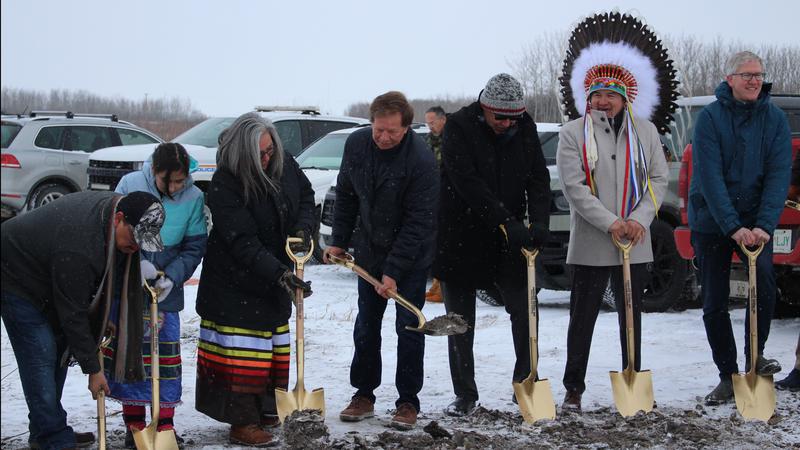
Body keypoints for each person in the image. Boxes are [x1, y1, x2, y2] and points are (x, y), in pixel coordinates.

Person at [556, 13, 676, 412]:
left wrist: (638, 221)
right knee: (582, 317)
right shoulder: (574, 132)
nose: (602, 100)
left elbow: (658, 179)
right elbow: (575, 187)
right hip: (593, 239)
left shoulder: (646, 132)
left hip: (634, 242)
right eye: (596, 94)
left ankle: (633, 378)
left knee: (631, 315)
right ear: (587, 99)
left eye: (610, 94)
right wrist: (612, 222)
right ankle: (574, 387)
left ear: (625, 98)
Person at [2, 190, 165, 450]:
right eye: (134, 237)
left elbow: (102, 282)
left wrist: (104, 319)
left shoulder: (114, 215)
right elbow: (73, 313)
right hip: (15, 275)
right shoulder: (80, 246)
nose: (135, 247)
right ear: (119, 218)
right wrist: (93, 369)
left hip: (48, 273)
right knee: (42, 354)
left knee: (57, 352)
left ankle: (47, 429)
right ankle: (53, 437)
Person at [432, 73, 551, 416]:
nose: (506, 124)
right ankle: (465, 394)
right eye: (499, 117)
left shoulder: (523, 127)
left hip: (508, 239)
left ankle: (526, 381)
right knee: (459, 319)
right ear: (484, 108)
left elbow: (538, 176)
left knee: (525, 310)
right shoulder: (458, 126)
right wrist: (503, 220)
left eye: (512, 117)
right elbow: (466, 181)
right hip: (461, 234)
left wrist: (539, 219)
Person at [194, 112, 314, 447]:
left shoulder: (283, 162)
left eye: (269, 151)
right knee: (244, 351)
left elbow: (305, 197)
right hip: (235, 283)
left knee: (270, 346)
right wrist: (279, 274)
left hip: (271, 274)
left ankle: (265, 410)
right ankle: (242, 422)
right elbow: (242, 241)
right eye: (259, 154)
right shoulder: (226, 182)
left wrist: (302, 230)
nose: (266, 159)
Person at [323, 91, 438, 430]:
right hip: (370, 251)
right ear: (371, 122)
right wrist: (340, 241)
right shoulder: (357, 145)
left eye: (392, 131)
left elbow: (419, 222)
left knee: (410, 326)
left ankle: (407, 401)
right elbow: (345, 194)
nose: (384, 137)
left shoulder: (421, 161)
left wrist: (394, 272)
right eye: (379, 130)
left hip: (411, 258)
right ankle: (363, 394)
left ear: (406, 128)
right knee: (367, 327)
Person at [688, 51, 792, 405]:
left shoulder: (775, 119)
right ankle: (727, 374)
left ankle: (755, 359)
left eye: (759, 75)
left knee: (763, 285)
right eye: (746, 75)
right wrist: (733, 226)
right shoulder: (710, 120)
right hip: (711, 219)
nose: (754, 80)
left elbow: (779, 175)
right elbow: (710, 178)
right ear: (729, 79)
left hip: (756, 223)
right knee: (715, 299)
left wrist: (763, 225)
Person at [109, 142, 207, 447]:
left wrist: (172, 277)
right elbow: (115, 231)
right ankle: (135, 424)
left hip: (166, 290)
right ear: (155, 171)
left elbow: (194, 247)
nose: (177, 187)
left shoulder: (194, 197)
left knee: (164, 359)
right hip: (129, 285)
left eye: (181, 180)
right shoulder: (130, 185)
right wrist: (136, 266)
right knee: (132, 356)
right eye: (170, 181)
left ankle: (164, 425)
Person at [424, 105, 447, 303]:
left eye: (432, 122)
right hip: (433, 198)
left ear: (443, 120)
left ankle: (442, 287)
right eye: (427, 123)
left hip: (448, 199)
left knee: (444, 243)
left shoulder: (452, 140)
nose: (429, 126)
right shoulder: (429, 141)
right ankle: (437, 284)